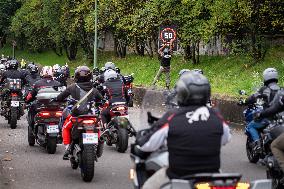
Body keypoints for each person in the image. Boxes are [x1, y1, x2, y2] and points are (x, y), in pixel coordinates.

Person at [134, 72, 231, 189]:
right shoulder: (216, 116)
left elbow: (147, 145)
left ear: (182, 94)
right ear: (207, 93)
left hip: (179, 176)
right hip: (212, 176)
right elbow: (225, 139)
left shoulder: (172, 117)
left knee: (147, 186)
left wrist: (140, 141)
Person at [54, 66, 104, 159]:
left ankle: (68, 148)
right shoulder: (94, 89)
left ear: (76, 77)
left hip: (77, 117)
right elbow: (101, 99)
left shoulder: (72, 87)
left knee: (65, 127)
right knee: (97, 127)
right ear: (90, 77)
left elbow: (60, 97)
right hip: (91, 117)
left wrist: (56, 99)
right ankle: (99, 143)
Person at [245, 68, 280, 152]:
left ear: (266, 77)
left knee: (251, 126)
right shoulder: (281, 89)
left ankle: (258, 145)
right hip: (280, 119)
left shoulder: (264, 89)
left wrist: (246, 101)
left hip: (268, 118)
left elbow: (253, 98)